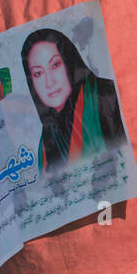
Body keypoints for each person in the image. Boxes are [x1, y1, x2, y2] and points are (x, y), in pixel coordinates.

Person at [20, 27, 126, 172]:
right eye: (38, 73)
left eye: (55, 65)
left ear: (69, 63)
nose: (49, 82)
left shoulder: (106, 96)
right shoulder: (47, 139)